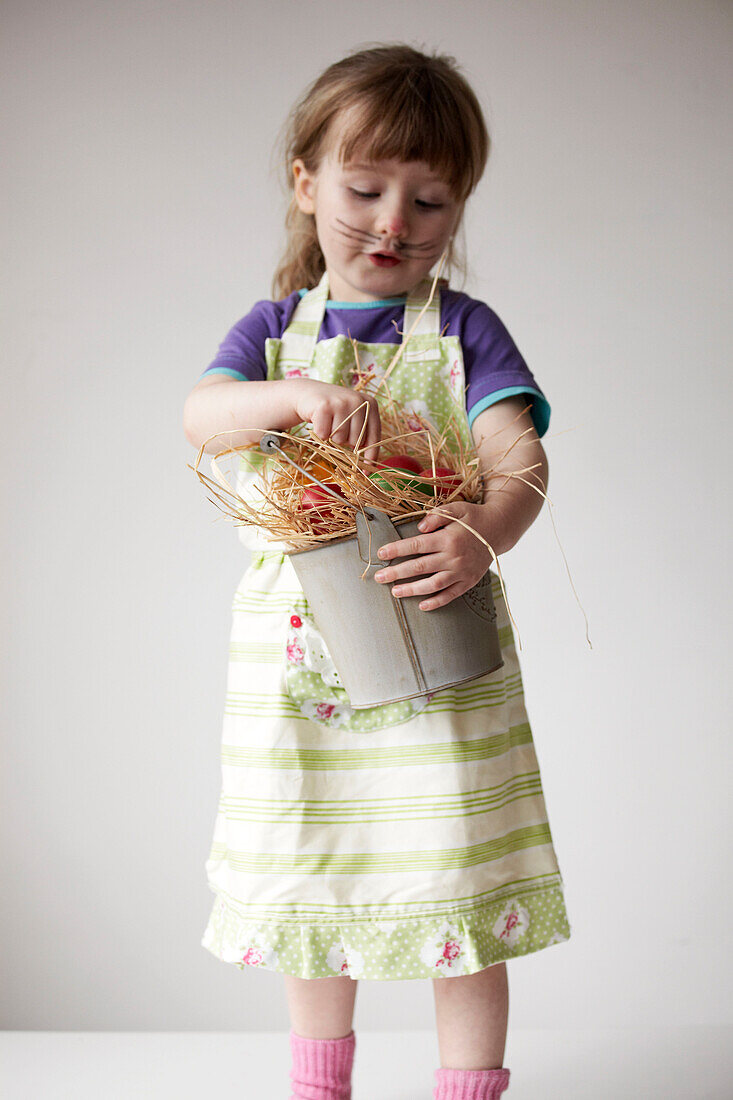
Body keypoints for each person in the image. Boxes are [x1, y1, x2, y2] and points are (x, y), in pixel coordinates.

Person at [183, 44, 570, 1100]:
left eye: (430, 200)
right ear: (306, 183)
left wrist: (482, 530)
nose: (392, 221)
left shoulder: (463, 332)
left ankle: (466, 1085)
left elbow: (518, 462)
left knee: (457, 876)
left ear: (457, 211)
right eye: (364, 188)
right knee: (317, 878)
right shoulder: (271, 335)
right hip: (302, 672)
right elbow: (202, 418)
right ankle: (320, 1087)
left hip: (436, 650)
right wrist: (291, 399)